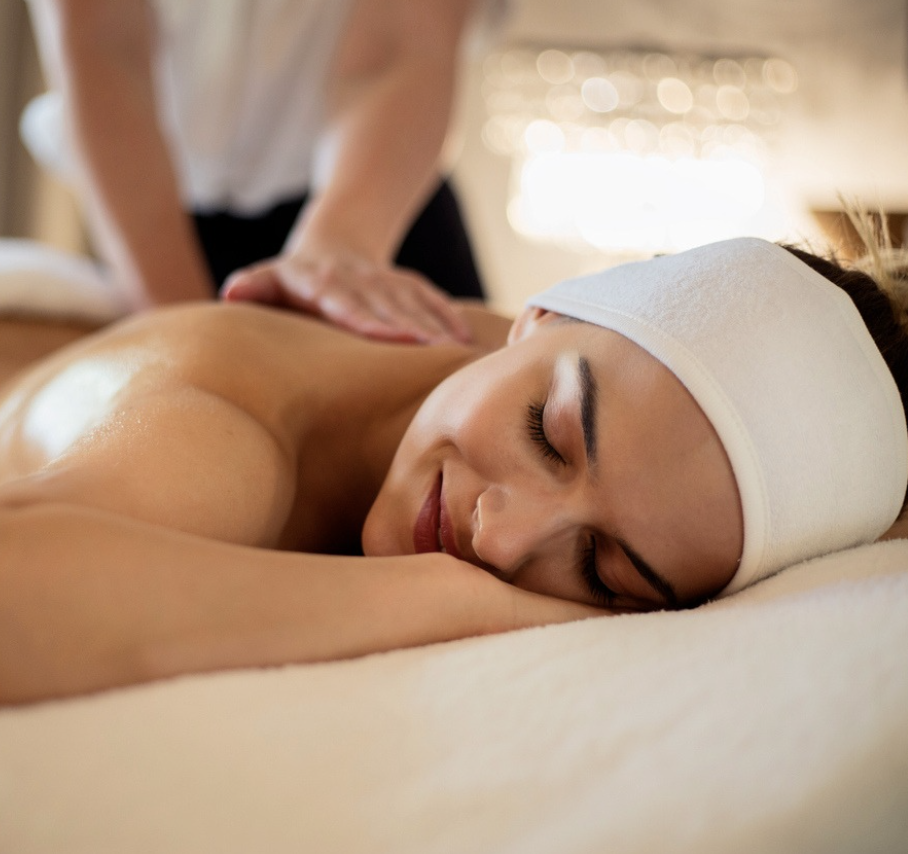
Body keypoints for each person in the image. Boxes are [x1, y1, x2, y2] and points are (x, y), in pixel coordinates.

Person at [0, 237, 906, 706]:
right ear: (540, 313)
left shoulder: (558, 360)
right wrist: (453, 600)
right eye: (546, 436)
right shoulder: (213, 440)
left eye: (604, 571)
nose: (503, 541)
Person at [23, 0, 495, 343]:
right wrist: (181, 330)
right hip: (157, 214)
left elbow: (399, 49)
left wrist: (341, 246)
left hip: (375, 205)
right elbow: (104, 47)